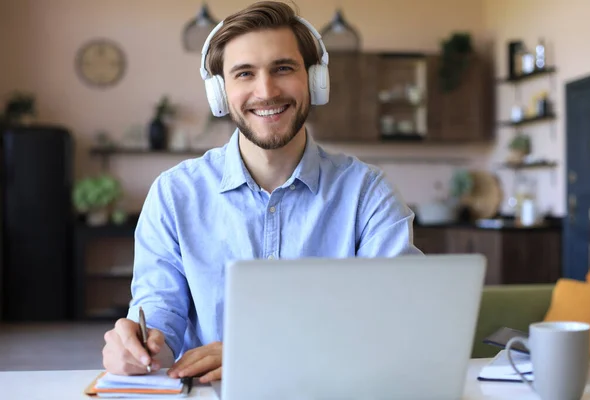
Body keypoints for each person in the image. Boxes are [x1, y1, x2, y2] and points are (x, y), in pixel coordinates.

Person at [102, 0, 422, 384]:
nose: (266, 91)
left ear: (315, 81)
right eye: (244, 73)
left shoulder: (368, 193)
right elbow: (160, 311)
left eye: (283, 68)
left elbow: (397, 320)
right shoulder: (174, 194)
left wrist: (260, 351)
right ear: (220, 93)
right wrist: (140, 346)